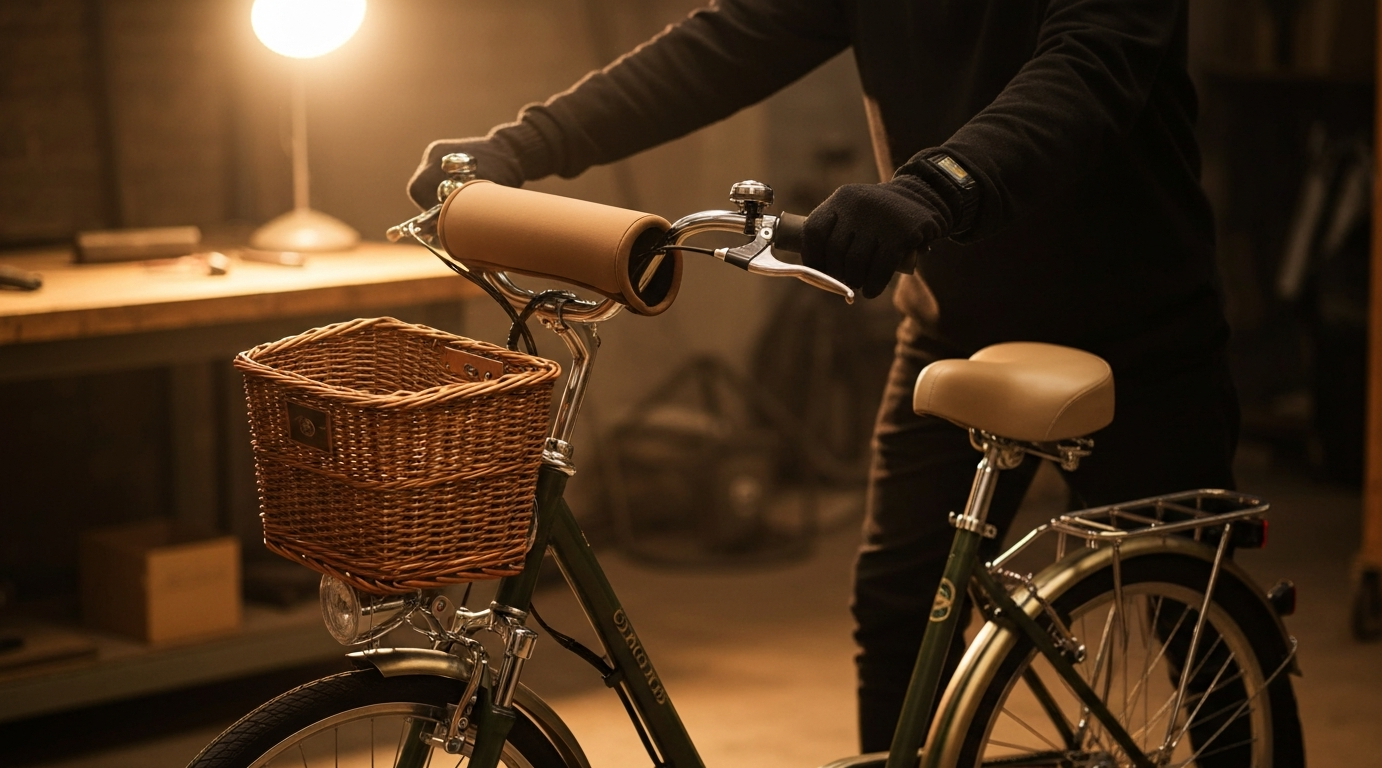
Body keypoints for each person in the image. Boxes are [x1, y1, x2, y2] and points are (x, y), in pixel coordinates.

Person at [409, 0, 1239, 756]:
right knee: (898, 609)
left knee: (1199, 629)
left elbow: (1087, 70)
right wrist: (525, 145)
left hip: (1139, 328)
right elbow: (724, 46)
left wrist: (934, 187)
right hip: (957, 330)